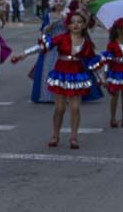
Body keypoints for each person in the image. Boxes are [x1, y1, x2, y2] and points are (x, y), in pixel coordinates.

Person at [13, 8, 99, 149]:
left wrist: (103, 79)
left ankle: (73, 137)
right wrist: (24, 54)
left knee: (76, 108)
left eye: (79, 22)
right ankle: (55, 135)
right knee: (59, 108)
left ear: (84, 25)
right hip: (61, 73)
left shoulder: (86, 43)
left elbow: (93, 63)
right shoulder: (62, 38)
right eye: (72, 22)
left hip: (77, 76)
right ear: (68, 25)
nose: (75, 25)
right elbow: (42, 47)